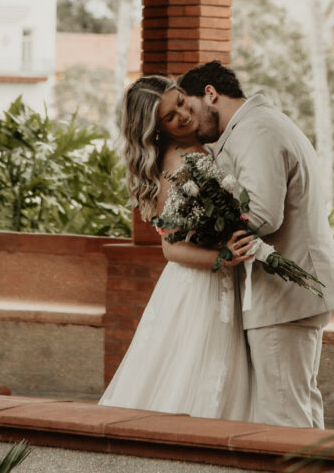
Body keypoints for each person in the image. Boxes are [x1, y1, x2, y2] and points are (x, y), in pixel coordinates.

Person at [178, 61, 334, 429]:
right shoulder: (258, 123)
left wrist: (199, 230)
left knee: (283, 416)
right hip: (289, 294)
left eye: (190, 109)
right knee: (297, 406)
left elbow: (262, 214)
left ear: (211, 94)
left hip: (283, 296)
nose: (190, 122)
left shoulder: (256, 130)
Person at [99, 75, 254, 420]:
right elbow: (171, 248)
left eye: (181, 102)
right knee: (193, 375)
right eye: (171, 116)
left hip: (220, 281)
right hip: (197, 289)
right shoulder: (177, 163)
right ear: (158, 128)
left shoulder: (202, 146)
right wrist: (223, 256)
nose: (183, 115)